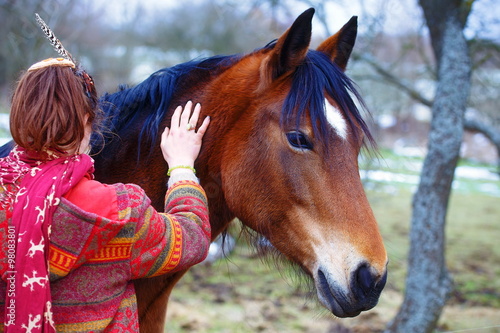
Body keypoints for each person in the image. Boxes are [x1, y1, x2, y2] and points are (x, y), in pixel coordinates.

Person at [0, 56, 211, 332]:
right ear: (88, 120)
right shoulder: (119, 211)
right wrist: (182, 165)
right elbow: (192, 238)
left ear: (18, 118)